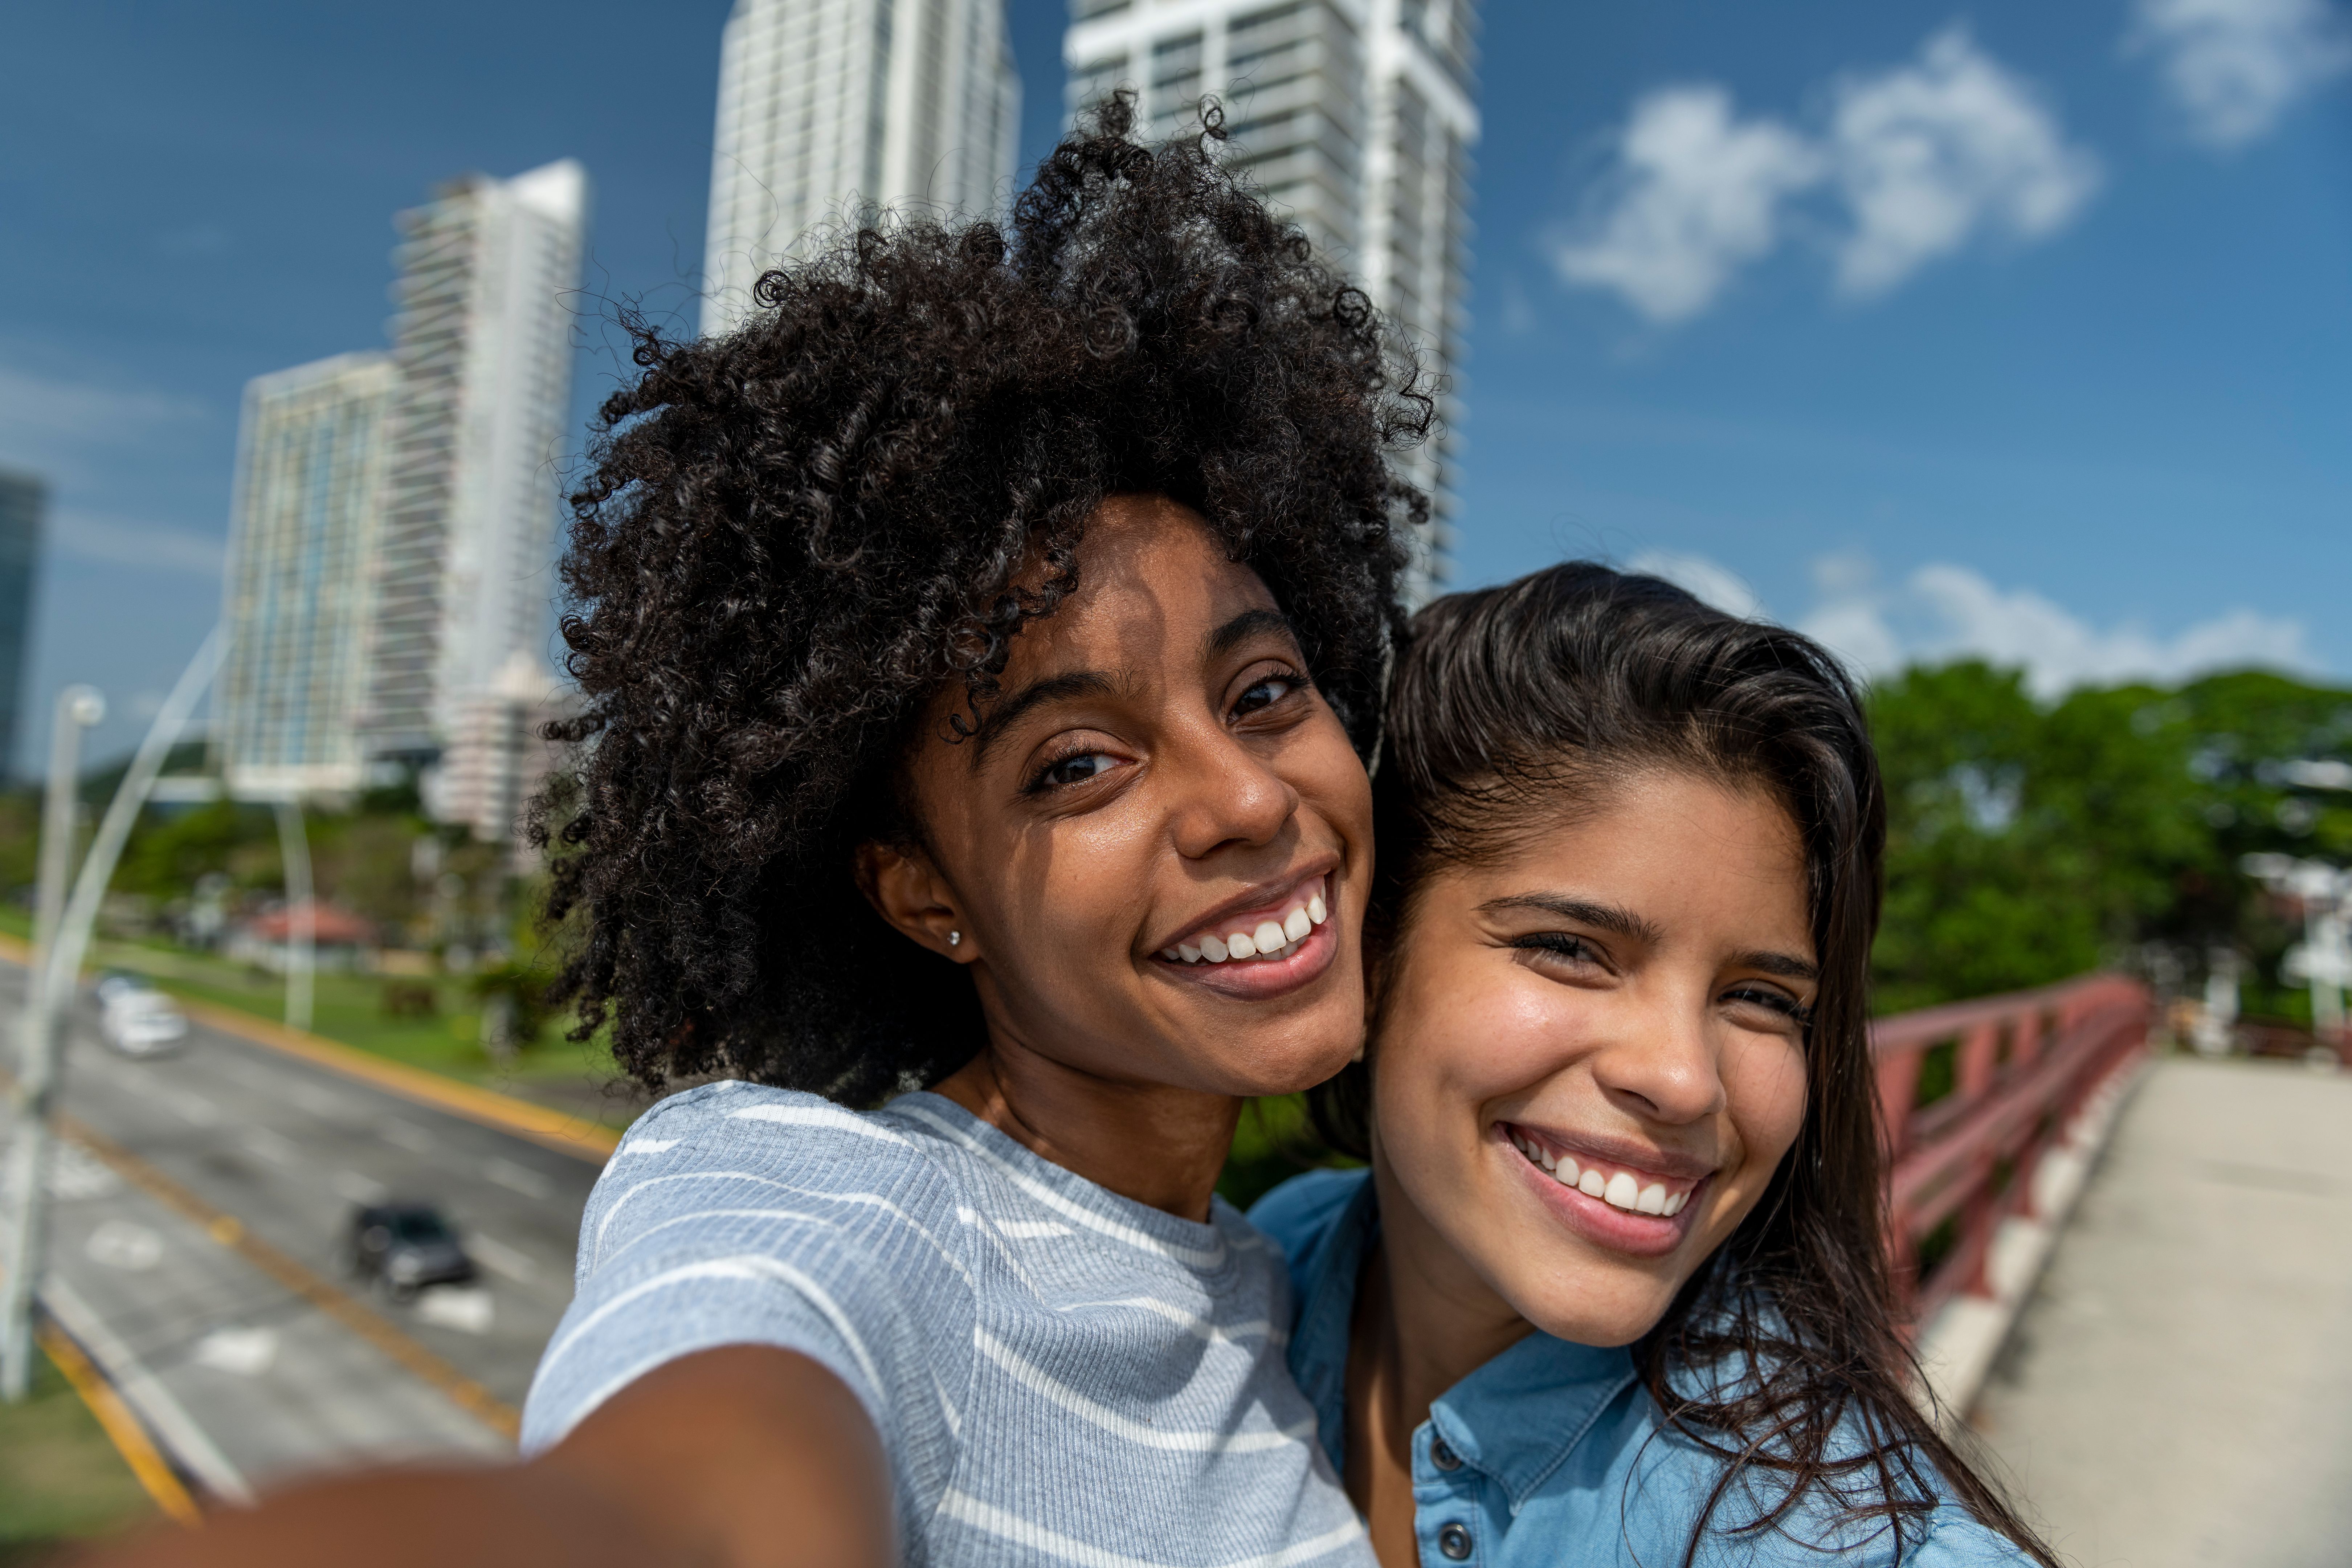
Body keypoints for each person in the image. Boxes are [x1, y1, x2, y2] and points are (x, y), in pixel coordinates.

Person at [102, 102, 1424, 1568]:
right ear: (927, 896)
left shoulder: (1282, 1279)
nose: (1246, 799)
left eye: (1263, 690)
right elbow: (680, 1486)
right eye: (1078, 766)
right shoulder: (830, 1207)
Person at [1251, 564, 2057, 1567]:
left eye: (1763, 999)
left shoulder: (1834, 1545)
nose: (1685, 1080)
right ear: (1370, 952)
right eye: (1571, 949)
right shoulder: (1269, 1267)